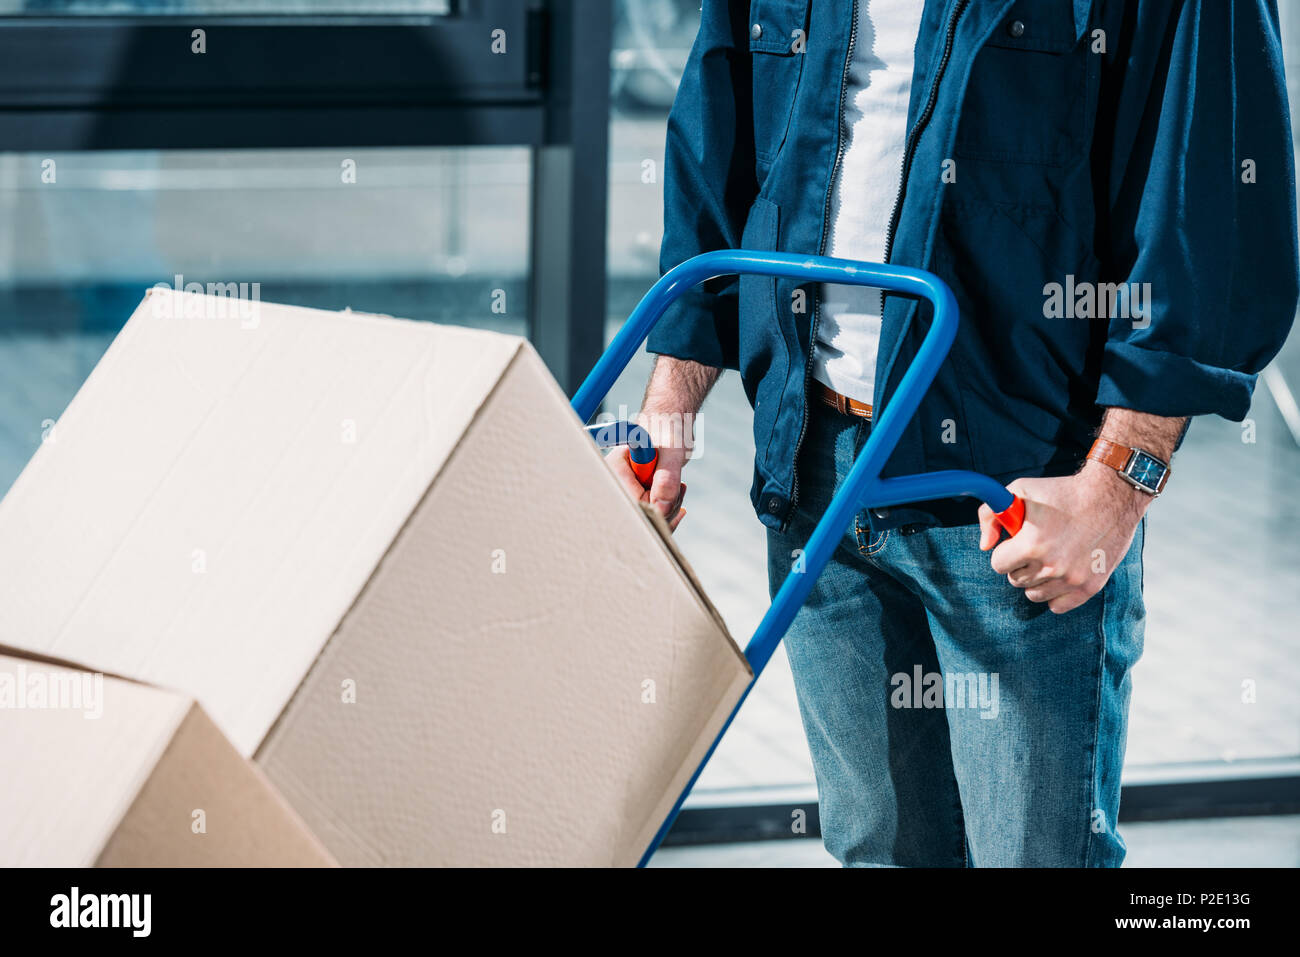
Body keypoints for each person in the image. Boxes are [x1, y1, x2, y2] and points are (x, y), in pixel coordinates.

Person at [605, 0, 1299, 866]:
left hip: (1015, 486)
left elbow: (1210, 197)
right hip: (814, 467)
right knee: (879, 849)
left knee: (1033, 856)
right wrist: (669, 407)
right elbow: (721, 131)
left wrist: (1119, 486)